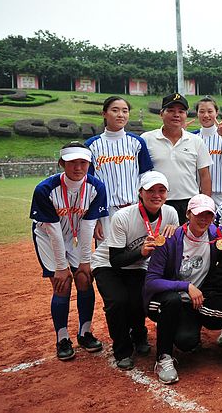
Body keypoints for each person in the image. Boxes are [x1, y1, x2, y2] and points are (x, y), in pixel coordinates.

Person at [144, 194, 222, 381]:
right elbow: (151, 281)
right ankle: (164, 357)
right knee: (181, 326)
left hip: (201, 299)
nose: (203, 219)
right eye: (198, 214)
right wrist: (185, 286)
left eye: (208, 214)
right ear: (188, 214)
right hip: (169, 300)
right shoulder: (170, 239)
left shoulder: (215, 234)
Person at [91, 171, 178, 370]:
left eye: (161, 190)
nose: (156, 195)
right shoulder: (123, 216)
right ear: (140, 192)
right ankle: (122, 350)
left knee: (139, 300)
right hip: (107, 265)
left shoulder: (170, 213)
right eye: (151, 190)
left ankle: (139, 335)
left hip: (139, 265)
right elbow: (115, 260)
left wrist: (175, 232)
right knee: (117, 302)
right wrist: (141, 252)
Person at [30, 142, 108, 360]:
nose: (78, 167)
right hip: (48, 236)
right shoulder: (45, 189)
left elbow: (88, 226)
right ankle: (62, 338)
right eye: (72, 162)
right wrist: (61, 267)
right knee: (62, 284)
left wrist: (85, 262)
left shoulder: (96, 187)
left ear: (89, 164)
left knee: (84, 279)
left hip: (77, 235)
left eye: (83, 162)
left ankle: (85, 333)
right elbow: (53, 231)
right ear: (61, 163)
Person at [85, 95, 153, 240]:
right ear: (104, 114)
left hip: (135, 208)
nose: (121, 115)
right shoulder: (92, 145)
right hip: (106, 212)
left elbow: (146, 177)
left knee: (137, 250)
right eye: (115, 110)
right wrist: (95, 218)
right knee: (108, 252)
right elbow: (88, 185)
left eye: (125, 111)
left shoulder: (137, 142)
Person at [141, 93, 212, 224]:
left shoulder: (196, 141)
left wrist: (205, 204)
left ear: (186, 115)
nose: (176, 115)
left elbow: (205, 175)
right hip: (157, 202)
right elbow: (140, 174)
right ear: (161, 113)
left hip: (189, 203)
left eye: (181, 111)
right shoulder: (146, 139)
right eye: (171, 111)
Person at [192, 96, 222, 207]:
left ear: (216, 113)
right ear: (197, 114)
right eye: (202, 112)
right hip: (199, 196)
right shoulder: (192, 137)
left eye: (210, 111)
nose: (206, 115)